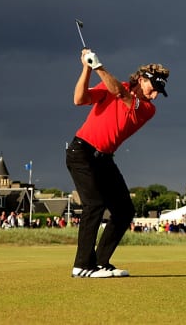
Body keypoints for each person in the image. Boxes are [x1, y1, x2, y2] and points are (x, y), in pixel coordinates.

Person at [66, 47, 169, 278]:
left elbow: (122, 95)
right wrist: (87, 68)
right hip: (81, 151)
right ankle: (82, 265)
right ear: (141, 80)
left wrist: (98, 66)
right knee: (94, 204)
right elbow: (79, 99)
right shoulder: (113, 85)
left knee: (124, 210)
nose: (154, 96)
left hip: (104, 158)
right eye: (154, 89)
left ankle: (101, 262)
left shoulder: (147, 109)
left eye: (158, 93)